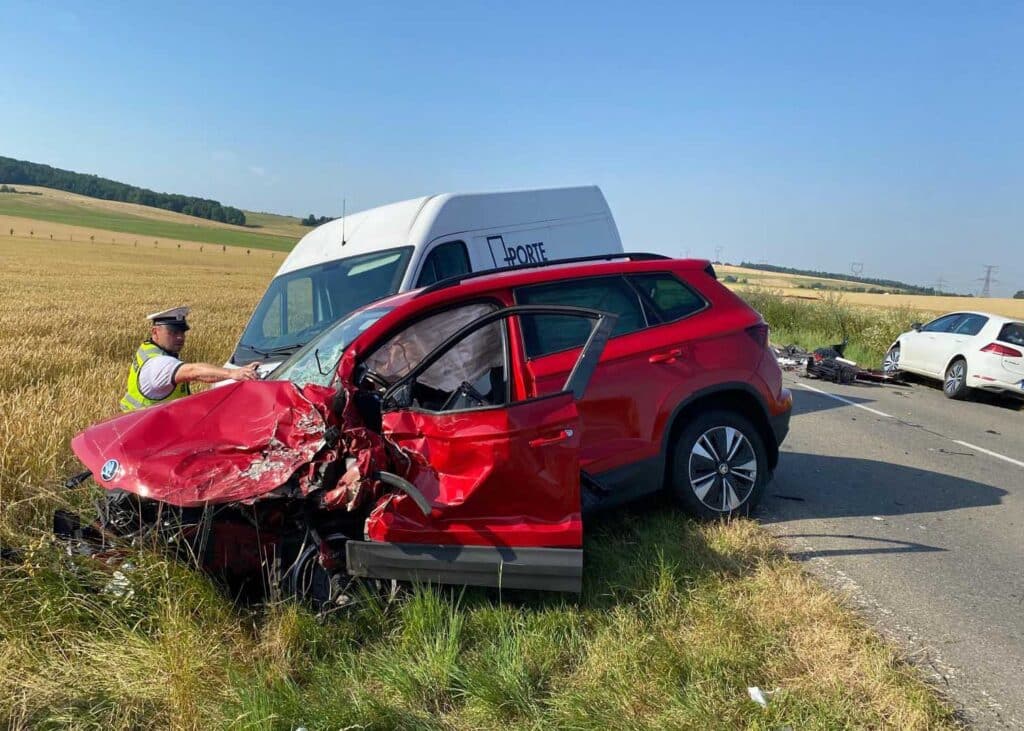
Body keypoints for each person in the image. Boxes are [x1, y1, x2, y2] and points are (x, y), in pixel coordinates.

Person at [120, 306, 259, 412]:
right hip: (143, 433)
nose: (180, 337)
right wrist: (233, 373)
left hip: (137, 424)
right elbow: (194, 371)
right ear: (155, 332)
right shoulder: (158, 364)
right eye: (173, 332)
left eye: (182, 332)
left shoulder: (149, 348)